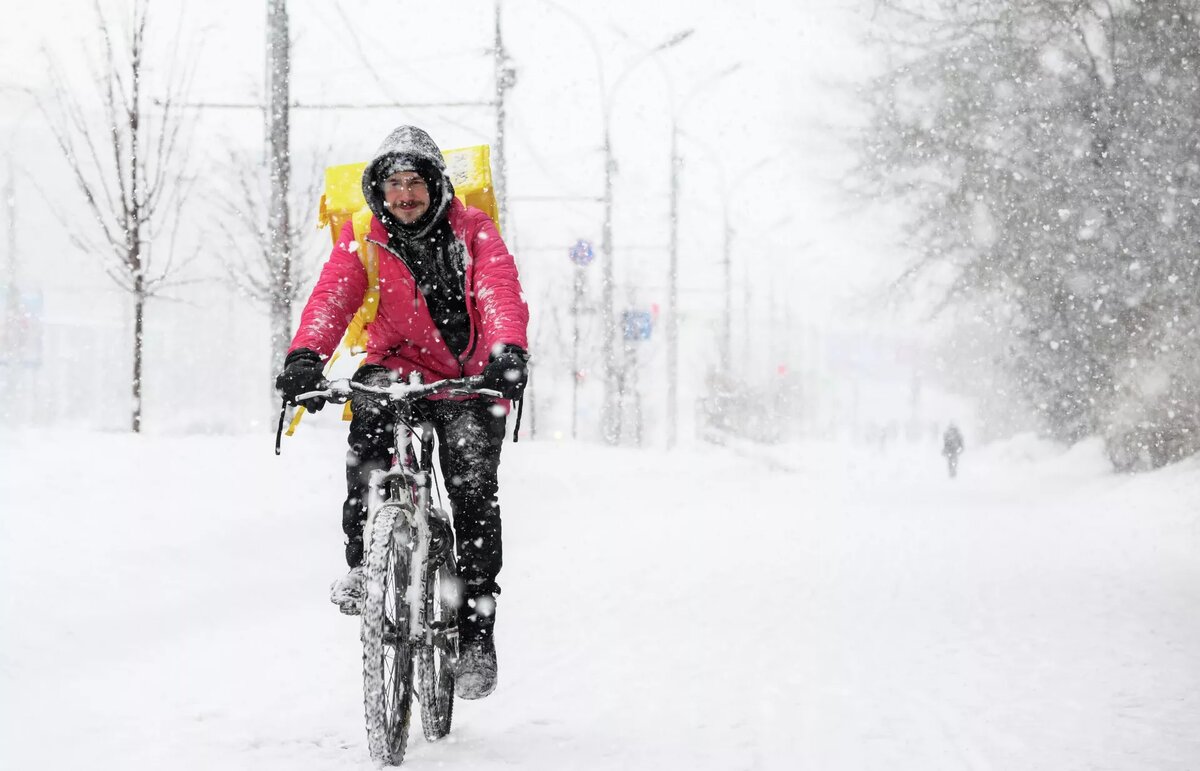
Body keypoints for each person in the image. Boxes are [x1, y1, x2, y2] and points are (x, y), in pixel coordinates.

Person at [275, 125, 529, 700]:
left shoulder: (472, 231)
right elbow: (332, 297)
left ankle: (475, 636)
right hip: (395, 365)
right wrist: (305, 356)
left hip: (466, 376)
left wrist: (506, 352)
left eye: (416, 182)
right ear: (379, 190)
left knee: (471, 491)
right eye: (394, 185)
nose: (405, 195)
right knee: (368, 441)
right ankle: (366, 564)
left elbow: (498, 291)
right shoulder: (363, 236)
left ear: (436, 185)